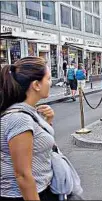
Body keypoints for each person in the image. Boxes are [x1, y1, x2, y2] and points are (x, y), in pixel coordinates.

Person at [0, 57, 59, 201]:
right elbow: (22, 175)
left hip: (41, 189)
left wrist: (47, 122)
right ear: (36, 85)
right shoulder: (19, 119)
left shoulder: (30, 112)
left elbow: (37, 145)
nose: (50, 83)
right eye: (48, 78)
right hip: (24, 195)